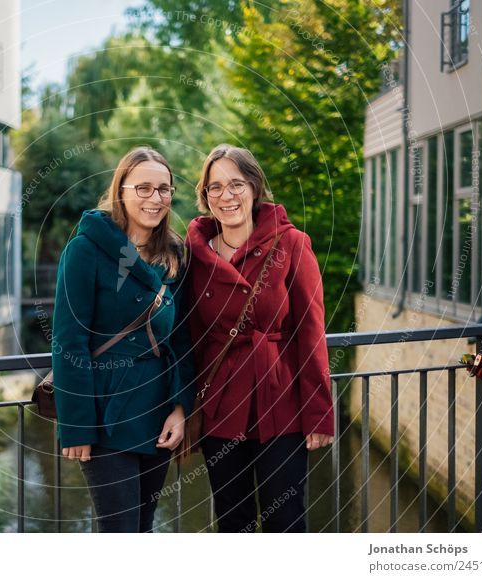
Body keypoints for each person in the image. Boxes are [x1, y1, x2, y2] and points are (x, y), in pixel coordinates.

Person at [185, 144, 335, 533]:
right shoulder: (193, 253)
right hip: (221, 405)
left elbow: (310, 332)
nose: (226, 195)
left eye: (236, 184)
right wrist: (184, 406)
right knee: (233, 522)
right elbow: (192, 338)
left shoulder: (291, 244)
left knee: (284, 521)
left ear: (254, 188)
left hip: (281, 402)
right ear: (205, 196)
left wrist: (319, 412)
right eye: (214, 187)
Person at [51, 146, 195, 532]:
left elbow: (181, 339)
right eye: (143, 188)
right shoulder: (85, 250)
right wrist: (77, 426)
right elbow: (69, 342)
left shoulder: (174, 254)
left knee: (143, 527)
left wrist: (180, 409)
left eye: (164, 189)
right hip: (105, 415)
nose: (155, 198)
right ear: (122, 191)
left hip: (158, 412)